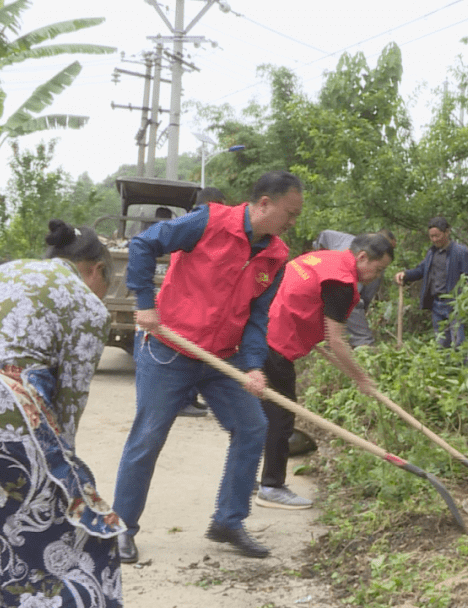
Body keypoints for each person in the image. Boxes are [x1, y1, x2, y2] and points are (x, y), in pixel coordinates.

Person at [113, 171, 302, 563]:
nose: (292, 222)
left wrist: (252, 365)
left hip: (223, 357)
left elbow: (257, 316)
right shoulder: (208, 222)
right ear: (264, 203)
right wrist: (145, 302)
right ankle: (121, 528)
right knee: (148, 437)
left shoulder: (276, 255)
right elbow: (145, 243)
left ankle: (228, 521)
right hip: (170, 349)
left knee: (253, 428)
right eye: (289, 213)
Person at [0, 219, 124, 607]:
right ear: (96, 270)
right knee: (79, 540)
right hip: (3, 418)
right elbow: (68, 407)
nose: (103, 297)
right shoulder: (84, 303)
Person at [256, 233, 393, 509]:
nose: (375, 277)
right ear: (362, 257)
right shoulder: (342, 283)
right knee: (281, 417)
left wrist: (308, 332)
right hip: (275, 344)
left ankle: (249, 478)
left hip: (261, 330)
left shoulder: (324, 258)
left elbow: (297, 291)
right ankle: (271, 486)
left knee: (261, 415)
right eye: (377, 270)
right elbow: (337, 341)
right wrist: (362, 379)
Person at [178, 186, 228, 418]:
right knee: (187, 352)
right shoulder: (201, 221)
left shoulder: (192, 220)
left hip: (191, 295)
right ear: (214, 202)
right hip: (191, 296)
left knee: (194, 352)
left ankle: (191, 398)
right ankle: (184, 401)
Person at [394, 216, 468, 348]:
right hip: (437, 304)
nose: (434, 239)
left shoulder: (461, 252)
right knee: (441, 343)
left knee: (459, 342)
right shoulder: (431, 253)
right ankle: (443, 367)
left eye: (437, 235)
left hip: (455, 305)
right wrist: (405, 275)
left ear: (447, 232)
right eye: (431, 236)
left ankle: (462, 367)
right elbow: (421, 270)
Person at [313, 228, 397, 348]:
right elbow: (354, 302)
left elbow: (365, 296)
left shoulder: (367, 260)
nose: (388, 249)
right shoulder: (348, 266)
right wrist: (364, 341)